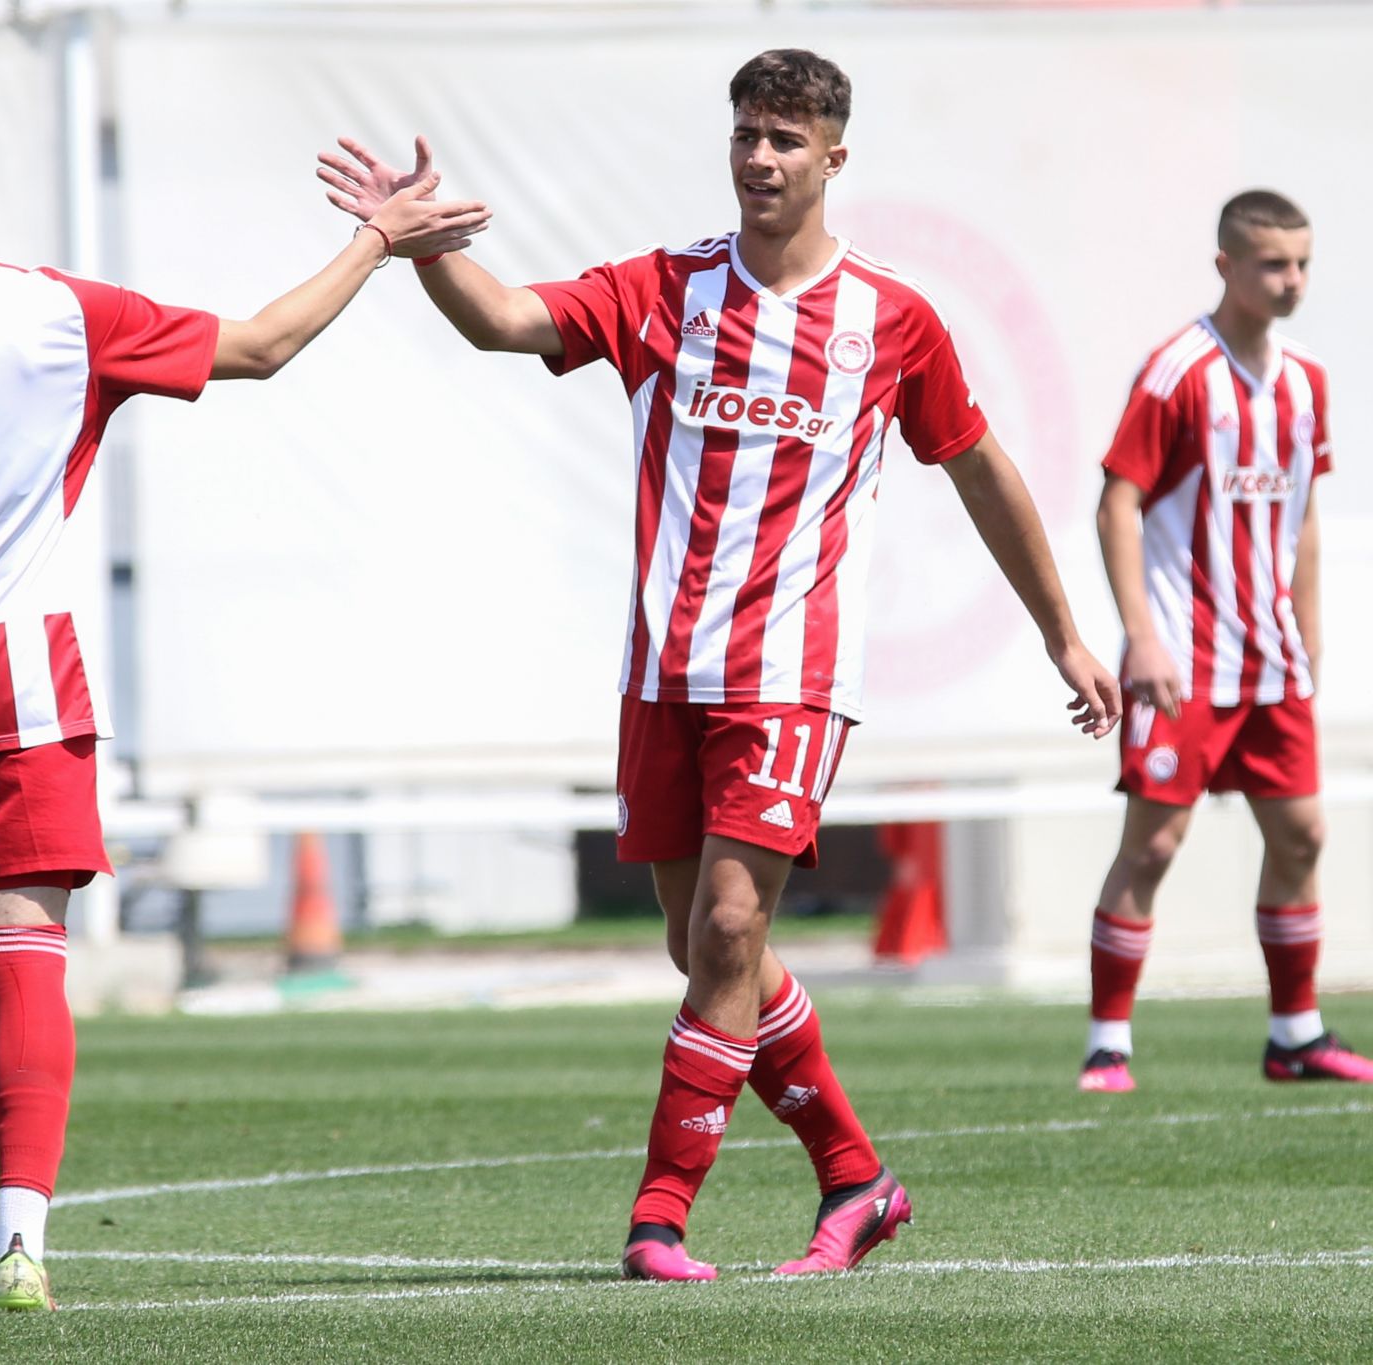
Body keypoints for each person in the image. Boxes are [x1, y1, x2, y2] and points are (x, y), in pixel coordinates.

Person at [0, 67, 487, 1312]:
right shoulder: (60, 311)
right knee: (26, 954)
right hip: (21, 681)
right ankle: (19, 1242)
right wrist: (376, 240)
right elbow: (262, 347)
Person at [318, 48, 1119, 1281]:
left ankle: (658, 1218)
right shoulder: (666, 287)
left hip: (790, 675)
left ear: (833, 158)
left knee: (734, 924)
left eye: (785, 140)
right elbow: (507, 321)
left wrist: (1061, 630)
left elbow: (977, 467)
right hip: (662, 671)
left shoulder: (890, 319)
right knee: (706, 953)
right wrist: (413, 245)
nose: (759, 157)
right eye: (746, 133)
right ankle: (857, 1179)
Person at [1080, 191, 1371, 1092]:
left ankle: (1296, 1035)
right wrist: (1141, 639)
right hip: (1183, 657)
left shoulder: (1307, 379)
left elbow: (1303, 511)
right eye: (1274, 264)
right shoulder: (1177, 372)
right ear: (1227, 267)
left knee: (1303, 836)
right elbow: (1117, 503)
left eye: (1303, 263)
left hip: (1271, 657)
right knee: (1153, 845)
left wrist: (1310, 626)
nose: (1292, 281)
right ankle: (1108, 1043)